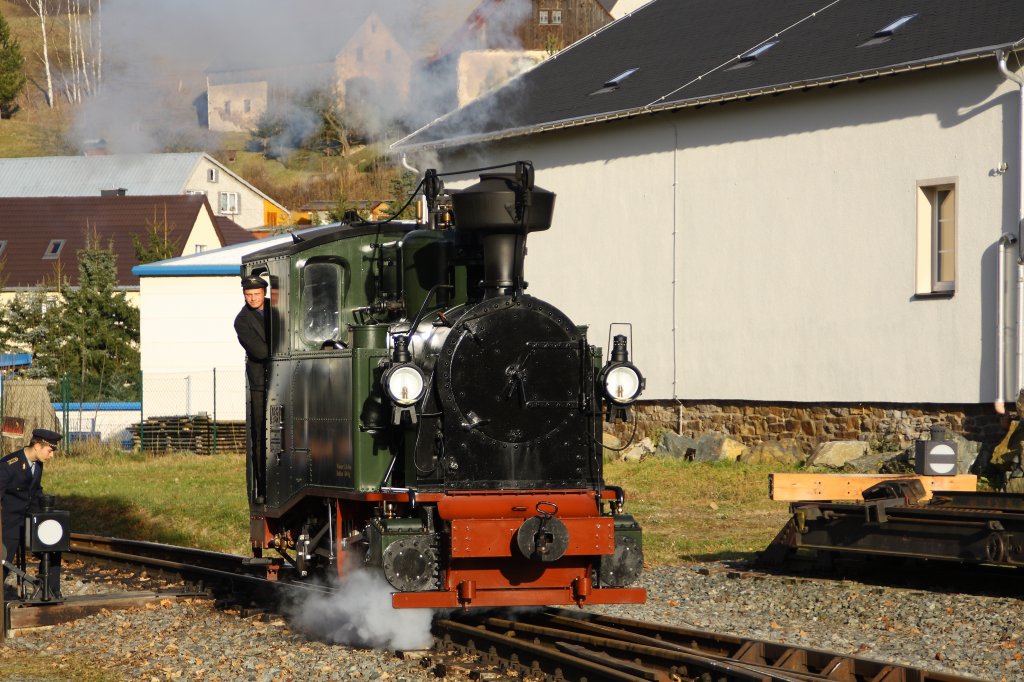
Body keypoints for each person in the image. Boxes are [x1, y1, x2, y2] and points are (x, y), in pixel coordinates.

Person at [0, 428, 63, 599]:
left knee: (53, 545)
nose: (52, 455)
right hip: (8, 525)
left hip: (29, 523)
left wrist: (46, 513)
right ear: (37, 446)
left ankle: (50, 590)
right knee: (4, 559)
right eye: (50, 451)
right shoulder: (8, 465)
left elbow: (34, 492)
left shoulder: (37, 464)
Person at [235, 275, 269, 504]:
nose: (253, 298)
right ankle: (263, 486)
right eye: (248, 295)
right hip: (259, 381)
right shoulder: (242, 321)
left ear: (264, 293)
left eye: (256, 294)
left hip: (281, 375)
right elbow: (260, 352)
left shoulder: (278, 311)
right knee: (260, 434)